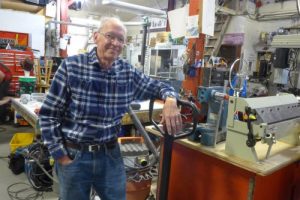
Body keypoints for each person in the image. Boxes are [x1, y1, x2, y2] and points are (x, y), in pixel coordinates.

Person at [39, 17, 182, 200]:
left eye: (121, 39)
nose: (115, 43)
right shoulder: (72, 66)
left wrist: (170, 99)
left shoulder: (127, 72)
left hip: (110, 156)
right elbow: (48, 115)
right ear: (96, 36)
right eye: (110, 36)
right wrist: (60, 155)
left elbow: (158, 86)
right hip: (75, 155)